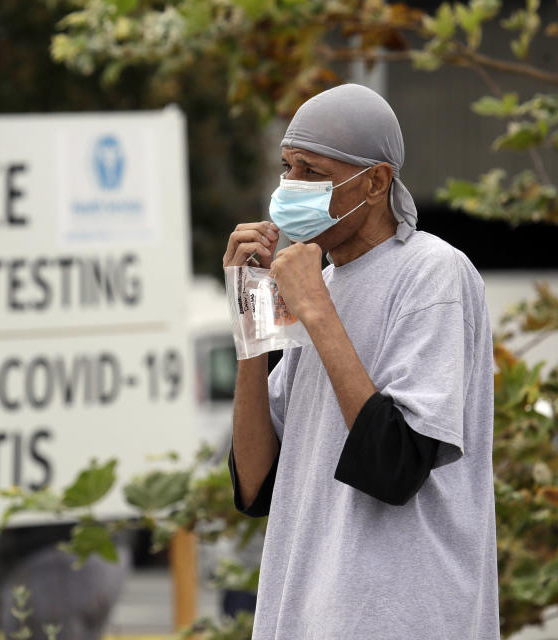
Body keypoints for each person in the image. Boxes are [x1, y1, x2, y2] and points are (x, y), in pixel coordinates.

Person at [223, 84, 498, 639]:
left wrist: (317, 311)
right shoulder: (319, 284)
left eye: (311, 172)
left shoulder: (433, 272)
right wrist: (251, 321)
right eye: (287, 168)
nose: (289, 188)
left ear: (376, 181)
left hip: (397, 620)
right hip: (305, 618)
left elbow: (393, 465)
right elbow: (256, 486)